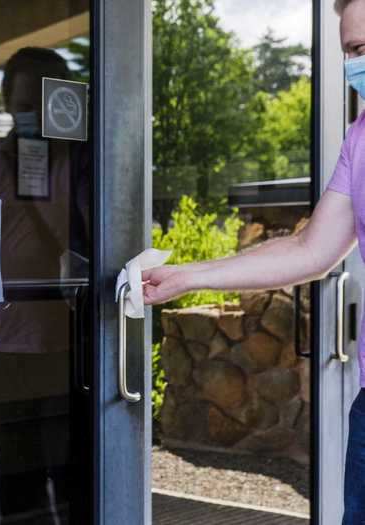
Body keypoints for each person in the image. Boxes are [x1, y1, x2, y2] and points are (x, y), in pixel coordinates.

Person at [142, 1, 365, 523]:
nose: (361, 60)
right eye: (354, 50)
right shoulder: (360, 139)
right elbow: (310, 250)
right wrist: (186, 277)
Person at [0, 47, 91, 525]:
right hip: (11, 355)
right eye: (23, 100)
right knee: (18, 496)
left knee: (76, 489)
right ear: (5, 100)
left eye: (45, 99)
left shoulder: (81, 162)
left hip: (70, 356)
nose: (32, 111)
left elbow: (90, 243)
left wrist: (60, 157)